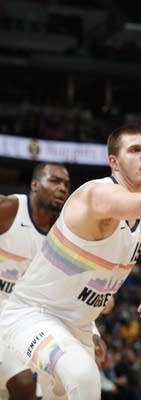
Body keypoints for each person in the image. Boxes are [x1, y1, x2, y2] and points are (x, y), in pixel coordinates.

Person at [0, 123, 141, 400]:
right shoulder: (96, 194)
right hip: (31, 315)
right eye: (135, 150)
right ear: (114, 162)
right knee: (83, 377)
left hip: (78, 327)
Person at [0, 162, 71, 400]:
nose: (62, 188)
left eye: (66, 184)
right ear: (34, 185)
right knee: (24, 383)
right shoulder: (10, 209)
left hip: (21, 320)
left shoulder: (62, 235)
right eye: (55, 181)